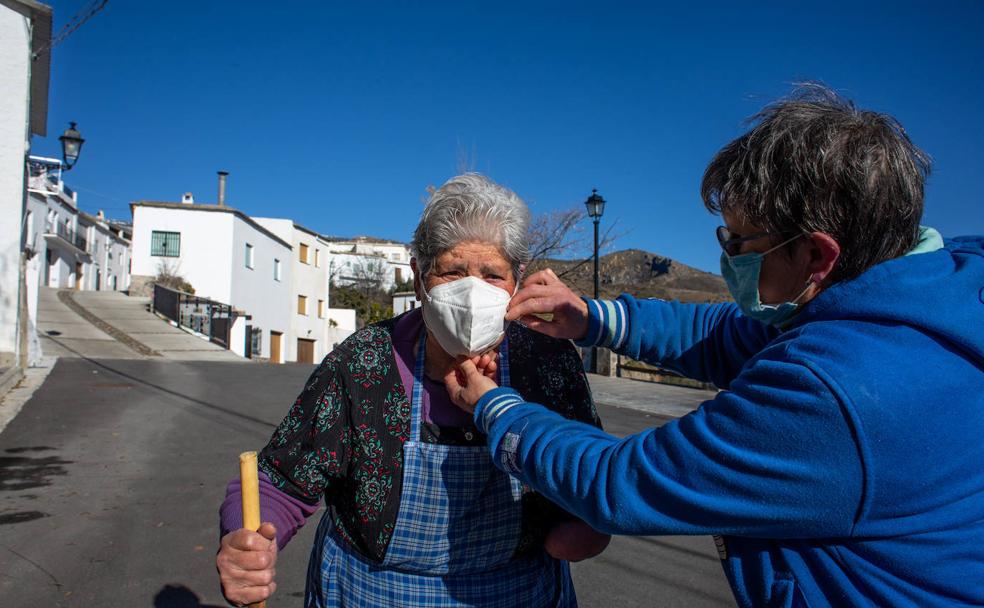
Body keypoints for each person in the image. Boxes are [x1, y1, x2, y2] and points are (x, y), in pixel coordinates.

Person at [446, 85, 984, 607]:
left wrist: (497, 410)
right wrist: (593, 318)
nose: (727, 257)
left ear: (817, 257)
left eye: (738, 241)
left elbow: (620, 482)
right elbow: (729, 333)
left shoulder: (835, 391)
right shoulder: (929, 297)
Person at [216, 174, 610, 607]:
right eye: (452, 271)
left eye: (492, 275)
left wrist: (588, 523)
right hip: (371, 594)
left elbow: (592, 477)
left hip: (518, 593)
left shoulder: (548, 362)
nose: (472, 292)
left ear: (516, 281)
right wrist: (246, 545)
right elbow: (280, 482)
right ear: (419, 277)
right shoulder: (364, 361)